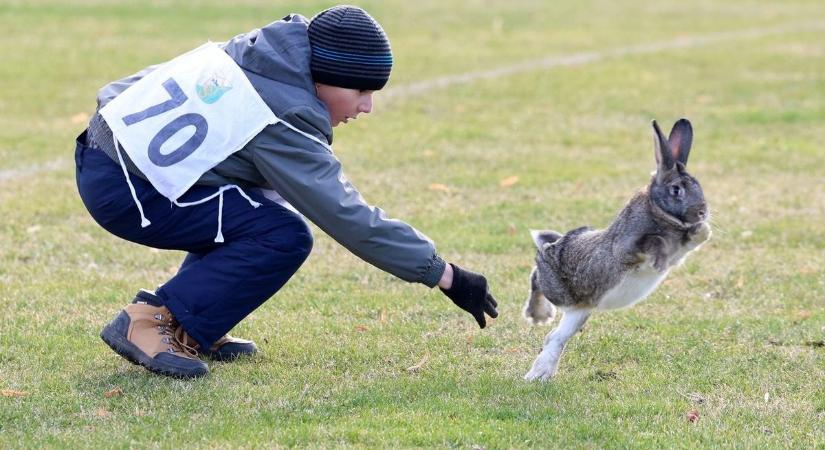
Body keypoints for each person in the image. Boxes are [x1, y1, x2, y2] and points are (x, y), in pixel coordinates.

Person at [75, 5, 499, 379]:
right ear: (327, 76)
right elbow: (345, 213)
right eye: (360, 91)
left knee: (258, 208)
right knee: (282, 234)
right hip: (129, 188)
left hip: (106, 156)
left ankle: (191, 322)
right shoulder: (284, 113)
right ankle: (151, 321)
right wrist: (445, 275)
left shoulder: (262, 54)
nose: (366, 107)